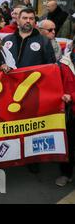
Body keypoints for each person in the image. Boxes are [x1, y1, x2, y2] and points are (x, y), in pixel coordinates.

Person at [3, 8, 56, 175]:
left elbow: (51, 67)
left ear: (35, 21)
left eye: (31, 18)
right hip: (9, 91)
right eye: (24, 18)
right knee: (10, 124)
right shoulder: (7, 40)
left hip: (33, 91)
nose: (27, 21)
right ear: (17, 20)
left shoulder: (43, 41)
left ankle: (32, 159)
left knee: (31, 127)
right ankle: (9, 155)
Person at [55, 39, 75, 187]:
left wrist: (72, 96)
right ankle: (66, 173)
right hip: (69, 112)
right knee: (68, 144)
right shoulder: (63, 63)